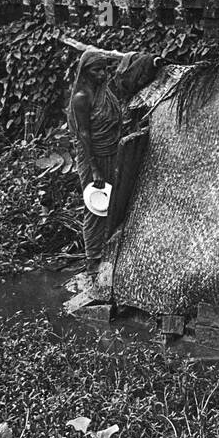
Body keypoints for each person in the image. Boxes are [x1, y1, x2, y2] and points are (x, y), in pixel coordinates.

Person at [67, 49, 165, 275]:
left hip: (113, 151)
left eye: (104, 69)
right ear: (85, 72)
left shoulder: (105, 91)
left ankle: (108, 255)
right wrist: (95, 170)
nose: (102, 74)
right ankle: (93, 260)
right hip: (93, 155)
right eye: (96, 70)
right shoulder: (82, 98)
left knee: (113, 204)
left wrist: (152, 62)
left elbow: (128, 75)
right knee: (95, 208)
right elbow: (83, 135)